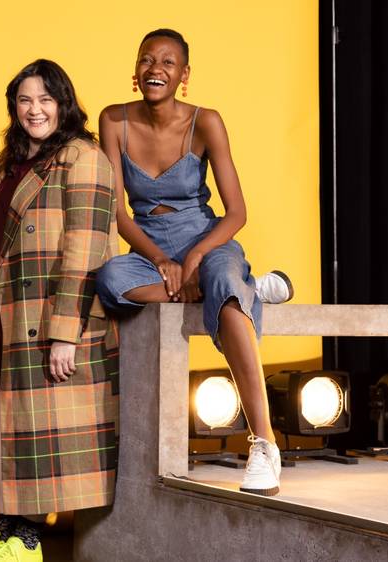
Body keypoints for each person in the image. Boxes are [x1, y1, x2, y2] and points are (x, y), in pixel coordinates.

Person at [96, 29, 291, 496]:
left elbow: (237, 211)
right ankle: (244, 288)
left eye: (168, 62)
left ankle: (264, 443)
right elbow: (118, 212)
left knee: (221, 286)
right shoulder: (113, 120)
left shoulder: (207, 121)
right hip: (149, 246)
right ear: (135, 68)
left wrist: (198, 256)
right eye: (147, 60)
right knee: (109, 279)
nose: (155, 69)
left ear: (184, 75)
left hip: (205, 237)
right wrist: (162, 260)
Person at [0, 59, 119, 562]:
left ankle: (26, 542)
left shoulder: (82, 157)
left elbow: (86, 248)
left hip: (48, 315)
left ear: (63, 104)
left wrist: (65, 331)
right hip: (1, 313)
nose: (35, 110)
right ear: (14, 107)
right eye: (25, 100)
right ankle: (10, 532)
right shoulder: (8, 164)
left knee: (35, 428)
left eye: (46, 100)